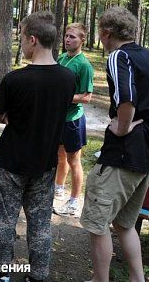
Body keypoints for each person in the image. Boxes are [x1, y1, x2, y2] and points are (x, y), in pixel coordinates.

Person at [81, 7, 149, 282]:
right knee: (124, 224)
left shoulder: (118, 56)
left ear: (106, 33)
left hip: (122, 156)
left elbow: (126, 99)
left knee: (98, 224)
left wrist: (122, 127)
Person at [0, 11, 76, 282]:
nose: (21, 44)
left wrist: (14, 115)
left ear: (33, 40)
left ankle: (1, 273)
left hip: (12, 161)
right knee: (40, 222)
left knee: (4, 220)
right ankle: (39, 274)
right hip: (45, 162)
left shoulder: (15, 79)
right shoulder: (68, 79)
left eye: (22, 38)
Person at [53, 22, 94, 216]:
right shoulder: (62, 57)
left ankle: (74, 200)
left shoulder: (84, 65)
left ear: (82, 40)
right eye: (67, 36)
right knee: (59, 156)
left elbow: (86, 96)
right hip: (58, 118)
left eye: (73, 37)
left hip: (73, 120)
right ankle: (58, 188)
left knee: (74, 160)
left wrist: (63, 98)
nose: (68, 40)